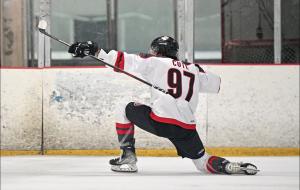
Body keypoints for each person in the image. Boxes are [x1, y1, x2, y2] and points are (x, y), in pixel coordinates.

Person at [68, 36, 258, 175]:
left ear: (157, 51)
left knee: (123, 108)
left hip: (161, 122)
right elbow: (216, 83)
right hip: (186, 128)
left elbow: (122, 61)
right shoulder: (193, 68)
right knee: (202, 162)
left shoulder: (155, 62)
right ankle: (227, 166)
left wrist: (94, 51)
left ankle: (128, 158)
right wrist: (191, 71)